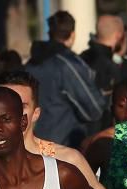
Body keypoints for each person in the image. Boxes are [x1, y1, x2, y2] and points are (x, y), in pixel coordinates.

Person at [26, 11, 106, 147]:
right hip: (60, 149)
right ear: (72, 34)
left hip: (32, 146)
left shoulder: (30, 64)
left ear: (49, 33)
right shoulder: (68, 65)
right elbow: (95, 109)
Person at [81, 14, 127, 127]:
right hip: (104, 132)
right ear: (119, 36)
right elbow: (121, 108)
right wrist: (121, 143)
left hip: (78, 133)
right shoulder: (111, 68)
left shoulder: (80, 60)